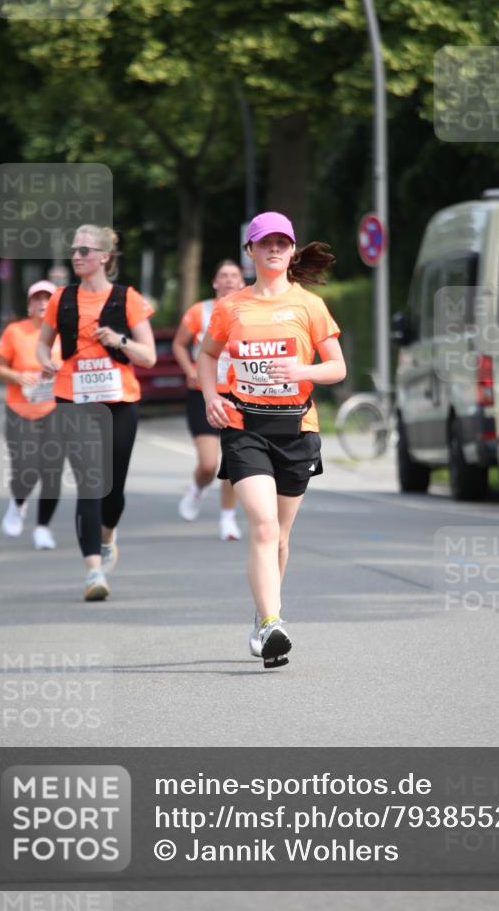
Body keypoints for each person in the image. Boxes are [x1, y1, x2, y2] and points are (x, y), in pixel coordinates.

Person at [197, 212, 346, 668]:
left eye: (282, 242)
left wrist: (303, 369)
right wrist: (211, 396)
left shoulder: (309, 305)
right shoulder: (232, 307)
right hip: (245, 426)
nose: (274, 249)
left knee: (280, 537)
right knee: (262, 526)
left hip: (296, 428)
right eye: (265, 242)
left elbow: (337, 367)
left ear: (292, 250)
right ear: (251, 251)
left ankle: (264, 613)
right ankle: (271, 623)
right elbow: (207, 354)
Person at [37, 225, 156, 601]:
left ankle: (107, 536)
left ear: (105, 257)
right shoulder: (61, 298)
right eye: (74, 250)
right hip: (73, 399)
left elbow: (149, 356)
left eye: (84, 251)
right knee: (89, 483)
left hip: (119, 402)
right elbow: (43, 344)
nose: (77, 256)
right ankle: (93, 572)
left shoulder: (127, 298)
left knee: (113, 488)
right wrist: (46, 362)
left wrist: (119, 340)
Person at [172, 260, 245, 541]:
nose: (228, 280)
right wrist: (190, 370)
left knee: (234, 459)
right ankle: (197, 488)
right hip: (203, 393)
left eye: (234, 275)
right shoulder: (199, 311)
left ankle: (227, 518)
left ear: (242, 281)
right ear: (215, 282)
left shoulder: (250, 311)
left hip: (238, 394)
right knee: (208, 463)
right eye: (223, 275)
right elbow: (179, 344)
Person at [0, 280, 64, 549]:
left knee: (52, 471)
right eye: (37, 298)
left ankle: (43, 528)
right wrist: (18, 376)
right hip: (20, 410)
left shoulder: (64, 334)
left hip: (55, 410)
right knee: (26, 468)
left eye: (48, 298)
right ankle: (18, 503)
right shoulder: (15, 332)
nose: (43, 303)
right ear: (29, 304)